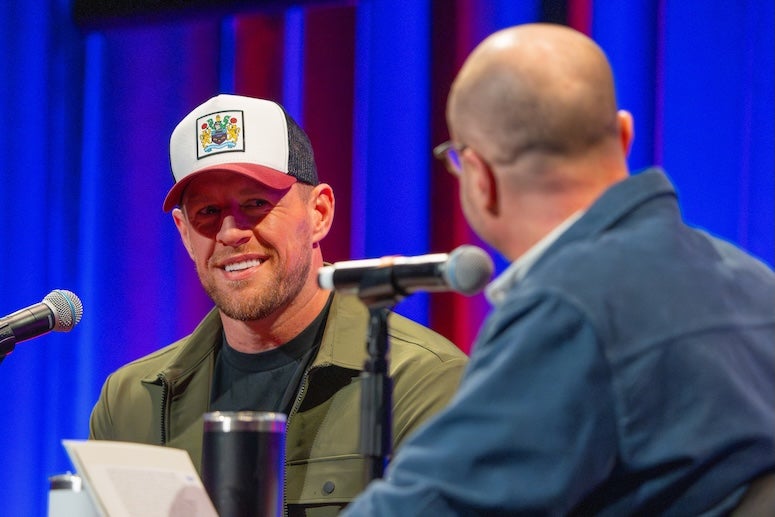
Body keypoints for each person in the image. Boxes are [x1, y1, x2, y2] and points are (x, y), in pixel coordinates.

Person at [343, 23, 775, 515]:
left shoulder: (567, 310)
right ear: (626, 135)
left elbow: (428, 507)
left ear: (480, 177)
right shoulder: (755, 281)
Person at [89, 94, 468, 515]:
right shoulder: (129, 401)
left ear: (319, 213)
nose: (231, 232)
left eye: (256, 204)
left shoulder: (421, 381)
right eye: (208, 211)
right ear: (183, 232)